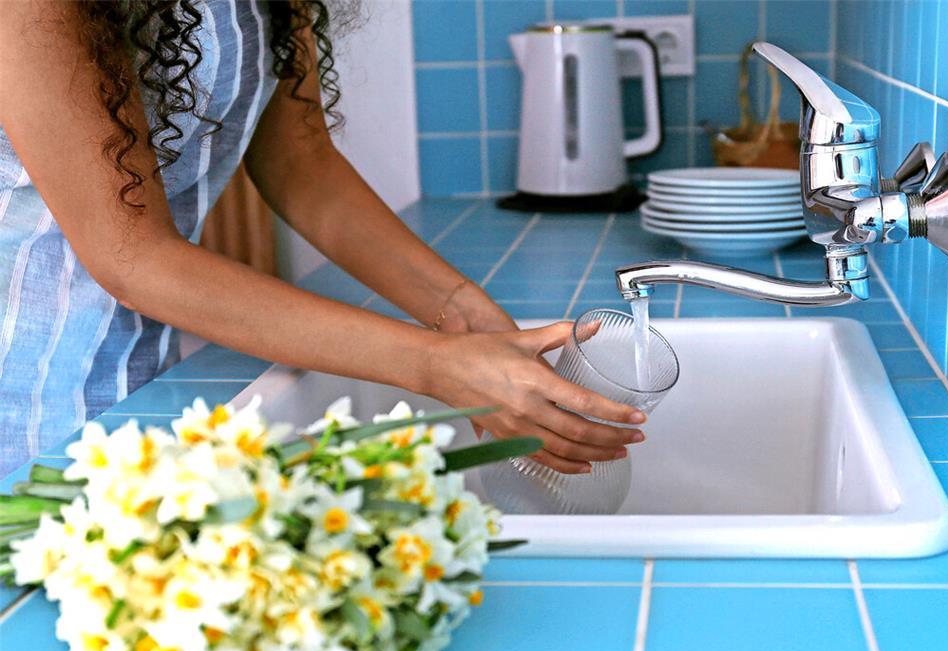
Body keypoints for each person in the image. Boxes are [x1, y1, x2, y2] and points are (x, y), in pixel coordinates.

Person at [0, 0, 647, 479]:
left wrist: (468, 320)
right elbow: (130, 256)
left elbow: (302, 168)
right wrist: (438, 364)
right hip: (20, 411)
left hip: (133, 388)